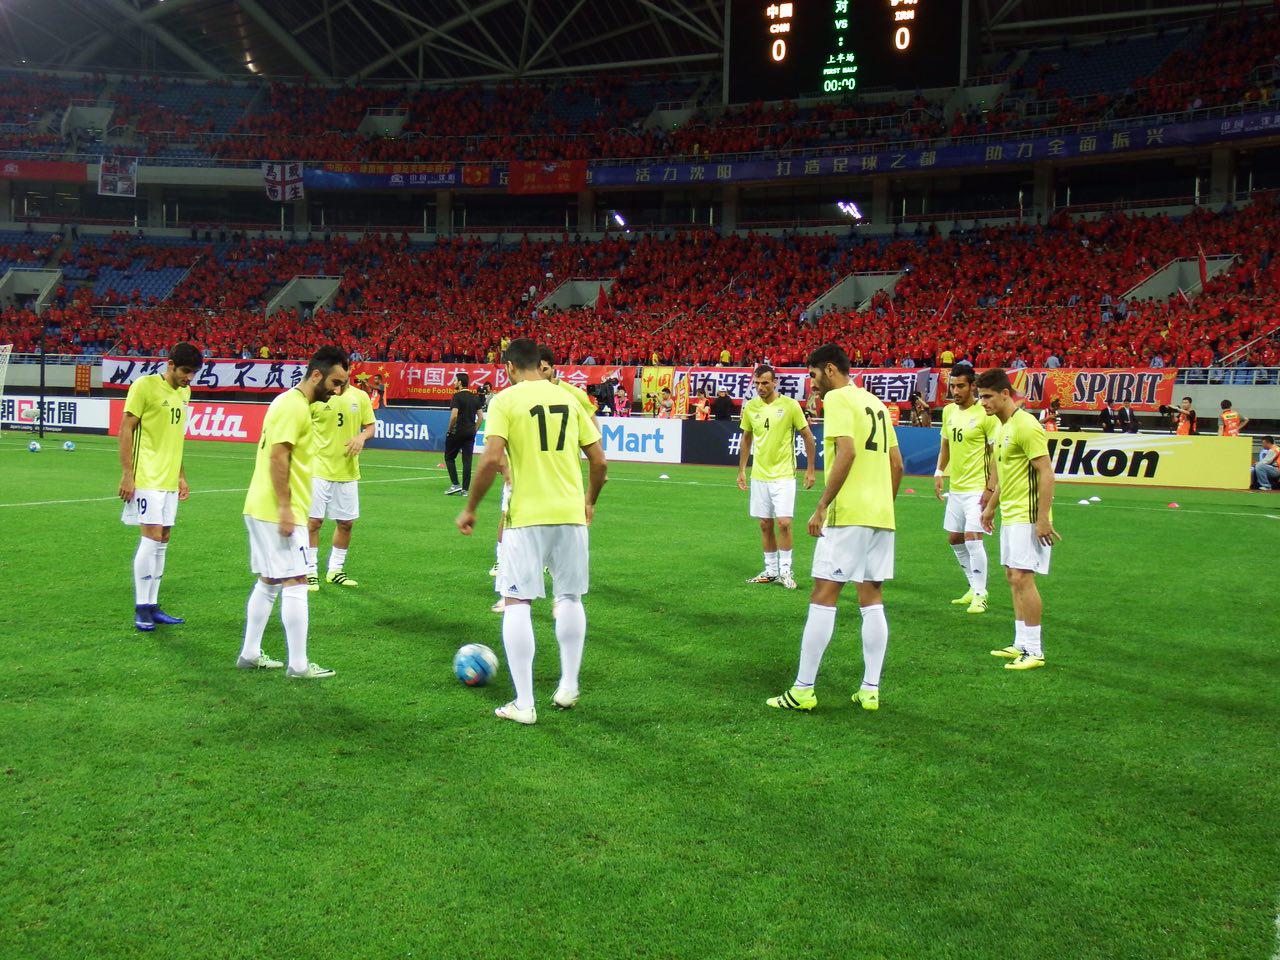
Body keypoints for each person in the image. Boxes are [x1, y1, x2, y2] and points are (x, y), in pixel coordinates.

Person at [457, 338, 608, 725]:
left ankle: (524, 704)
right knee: (570, 597)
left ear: (508, 367)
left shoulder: (504, 401)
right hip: (571, 515)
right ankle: (569, 685)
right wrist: (589, 500)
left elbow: (491, 458)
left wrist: (471, 507)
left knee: (517, 602)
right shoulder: (570, 399)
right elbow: (599, 461)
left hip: (526, 516)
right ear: (538, 364)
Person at [766, 343, 902, 713]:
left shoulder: (839, 399)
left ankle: (803, 689)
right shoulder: (874, 402)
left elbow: (847, 451)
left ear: (830, 369)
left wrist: (823, 505)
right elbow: (897, 464)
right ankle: (870, 688)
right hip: (881, 516)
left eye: (812, 375)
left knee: (823, 595)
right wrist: (882, 505)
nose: (811, 384)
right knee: (872, 598)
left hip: (849, 515)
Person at [237, 346, 349, 679]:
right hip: (277, 511)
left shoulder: (286, 402)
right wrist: (286, 508)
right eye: (335, 382)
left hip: (263, 507)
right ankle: (299, 665)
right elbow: (278, 456)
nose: (337, 390)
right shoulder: (294, 407)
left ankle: (250, 652)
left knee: (269, 581)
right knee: (297, 581)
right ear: (317, 374)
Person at [978, 368, 1060, 671]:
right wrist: (989, 508)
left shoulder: (1026, 425)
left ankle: (1035, 651)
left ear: (1005, 394)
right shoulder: (1002, 428)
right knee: (1013, 578)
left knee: (1024, 578)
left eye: (987, 396)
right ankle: (1021, 642)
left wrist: (1042, 519)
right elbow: (1007, 477)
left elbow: (1046, 473)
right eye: (980, 397)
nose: (983, 402)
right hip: (1010, 513)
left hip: (1027, 514)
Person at [117, 342, 203, 633]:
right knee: (151, 537)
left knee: (163, 538)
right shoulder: (145, 386)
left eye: (193, 373)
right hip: (146, 476)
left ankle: (153, 606)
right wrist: (128, 474)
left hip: (168, 478)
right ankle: (141, 607)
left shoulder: (184, 392)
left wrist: (181, 476)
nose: (189, 378)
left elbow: (176, 438)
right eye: (185, 371)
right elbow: (126, 428)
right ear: (170, 364)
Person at [738, 365, 817, 590]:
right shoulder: (751, 407)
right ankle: (771, 570)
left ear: (775, 383)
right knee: (764, 524)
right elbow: (746, 439)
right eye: (757, 383)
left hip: (783, 475)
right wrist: (742, 469)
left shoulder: (790, 406)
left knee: (784, 523)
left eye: (765, 383)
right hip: (759, 474)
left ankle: (785, 571)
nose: (760, 387)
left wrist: (810, 469)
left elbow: (808, 437)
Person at [935, 365, 998, 614]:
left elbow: (996, 455)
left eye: (960, 386)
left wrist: (990, 488)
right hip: (957, 487)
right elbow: (945, 445)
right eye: (952, 385)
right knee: (954, 538)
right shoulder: (949, 411)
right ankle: (973, 586)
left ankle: (981, 594)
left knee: (973, 538)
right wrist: (939, 472)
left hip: (977, 488)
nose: (955, 390)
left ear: (973, 386)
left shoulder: (985, 414)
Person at [306, 377, 377, 590]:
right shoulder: (317, 396)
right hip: (317, 469)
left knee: (346, 523)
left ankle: (335, 570)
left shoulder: (360, 396)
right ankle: (309, 571)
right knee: (314, 522)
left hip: (347, 471)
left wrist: (362, 437)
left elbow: (371, 426)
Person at [444, 373, 484, 495]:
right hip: (470, 433)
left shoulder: (457, 397)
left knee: (449, 457)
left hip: (457, 432)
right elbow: (481, 417)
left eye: (455, 380)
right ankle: (465, 490)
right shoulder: (475, 398)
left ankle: (455, 484)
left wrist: (450, 429)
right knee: (467, 461)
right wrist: (474, 430)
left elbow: (454, 415)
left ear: (460, 382)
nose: (454, 382)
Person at [538, 346, 598, 428]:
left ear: (553, 369)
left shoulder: (576, 394)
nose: (540, 374)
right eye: (536, 370)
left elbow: (595, 435)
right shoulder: (525, 393)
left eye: (544, 369)